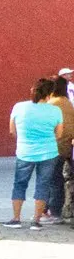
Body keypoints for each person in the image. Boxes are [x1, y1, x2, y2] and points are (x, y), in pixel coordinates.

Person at [6, 78, 64, 229]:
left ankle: (16, 218)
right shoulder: (55, 110)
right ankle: (36, 220)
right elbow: (59, 134)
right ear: (50, 93)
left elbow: (13, 131)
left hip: (25, 152)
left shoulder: (19, 107)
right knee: (43, 185)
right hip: (48, 152)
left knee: (19, 184)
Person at [44, 76, 74, 222]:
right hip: (66, 146)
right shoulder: (67, 103)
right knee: (57, 179)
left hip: (54, 147)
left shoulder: (51, 104)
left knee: (53, 180)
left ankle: (54, 213)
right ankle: (52, 211)